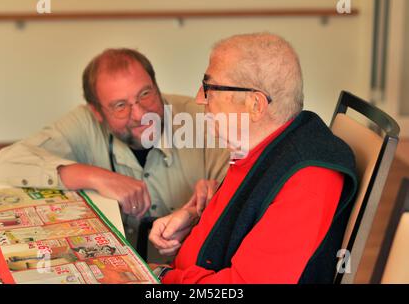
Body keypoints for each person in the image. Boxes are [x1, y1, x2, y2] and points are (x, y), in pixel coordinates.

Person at [149, 32, 358, 283]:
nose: (198, 98)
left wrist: (161, 276)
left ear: (255, 105)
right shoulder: (261, 146)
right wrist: (195, 219)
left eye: (209, 88)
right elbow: (246, 212)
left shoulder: (307, 180)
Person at [0, 48, 229, 251]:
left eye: (145, 94)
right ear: (97, 112)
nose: (140, 114)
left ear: (156, 86)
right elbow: (5, 163)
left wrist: (217, 194)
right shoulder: (85, 122)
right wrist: (95, 176)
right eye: (120, 106)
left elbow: (246, 185)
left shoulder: (202, 119)